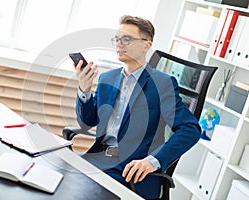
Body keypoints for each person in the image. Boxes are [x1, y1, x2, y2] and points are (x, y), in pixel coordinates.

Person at [73, 15, 201, 199]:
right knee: (58, 171)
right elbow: (87, 122)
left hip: (131, 168)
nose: (119, 44)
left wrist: (152, 162)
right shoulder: (107, 78)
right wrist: (84, 91)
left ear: (146, 45)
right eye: (117, 39)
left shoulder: (162, 83)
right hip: (99, 157)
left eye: (127, 39)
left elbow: (190, 129)